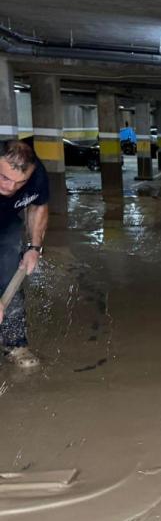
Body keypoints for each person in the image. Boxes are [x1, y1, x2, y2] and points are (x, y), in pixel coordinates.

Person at [0, 140, 48, 368]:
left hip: (6, 224)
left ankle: (14, 343)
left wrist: (34, 248)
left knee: (10, 274)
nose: (10, 188)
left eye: (20, 183)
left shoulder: (37, 175)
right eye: (4, 178)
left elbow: (38, 206)